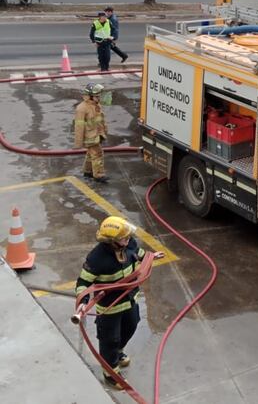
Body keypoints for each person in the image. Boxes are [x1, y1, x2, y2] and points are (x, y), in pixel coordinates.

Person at [75, 216, 164, 389]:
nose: (128, 239)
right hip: (110, 308)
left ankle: (118, 351)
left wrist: (151, 257)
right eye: (124, 238)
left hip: (130, 300)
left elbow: (139, 254)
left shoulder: (129, 244)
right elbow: (83, 283)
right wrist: (82, 302)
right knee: (110, 339)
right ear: (112, 241)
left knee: (131, 326)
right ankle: (110, 373)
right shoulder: (96, 258)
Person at [74, 83, 109, 183]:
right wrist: (78, 142)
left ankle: (87, 171)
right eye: (97, 96)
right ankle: (98, 175)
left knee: (91, 154)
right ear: (89, 96)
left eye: (99, 96)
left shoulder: (96, 105)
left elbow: (101, 120)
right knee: (97, 154)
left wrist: (104, 131)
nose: (99, 98)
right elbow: (79, 127)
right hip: (90, 137)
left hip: (97, 134)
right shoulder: (81, 108)